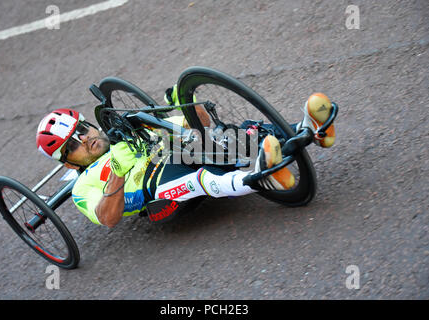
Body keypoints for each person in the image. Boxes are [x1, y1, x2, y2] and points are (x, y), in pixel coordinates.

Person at [36, 90, 335, 228]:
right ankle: (257, 178)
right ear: (68, 163)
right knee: (188, 177)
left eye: (82, 129)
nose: (85, 138)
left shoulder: (123, 130)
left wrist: (185, 105)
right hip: (158, 197)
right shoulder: (80, 190)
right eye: (73, 144)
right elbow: (107, 219)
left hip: (177, 150)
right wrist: (117, 171)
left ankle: (308, 129)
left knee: (220, 134)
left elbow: (193, 125)